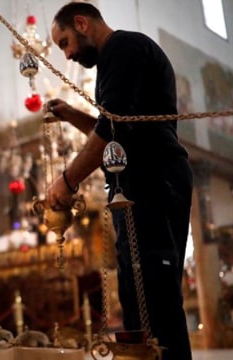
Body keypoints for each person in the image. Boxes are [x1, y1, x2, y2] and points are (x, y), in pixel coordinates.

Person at [44, 3, 193, 360]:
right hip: (141, 185)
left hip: (155, 182)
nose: (67, 54)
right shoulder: (116, 58)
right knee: (136, 299)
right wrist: (72, 116)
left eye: (65, 42)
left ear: (81, 23)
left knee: (155, 298)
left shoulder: (124, 48)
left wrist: (67, 180)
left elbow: (115, 128)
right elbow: (114, 129)